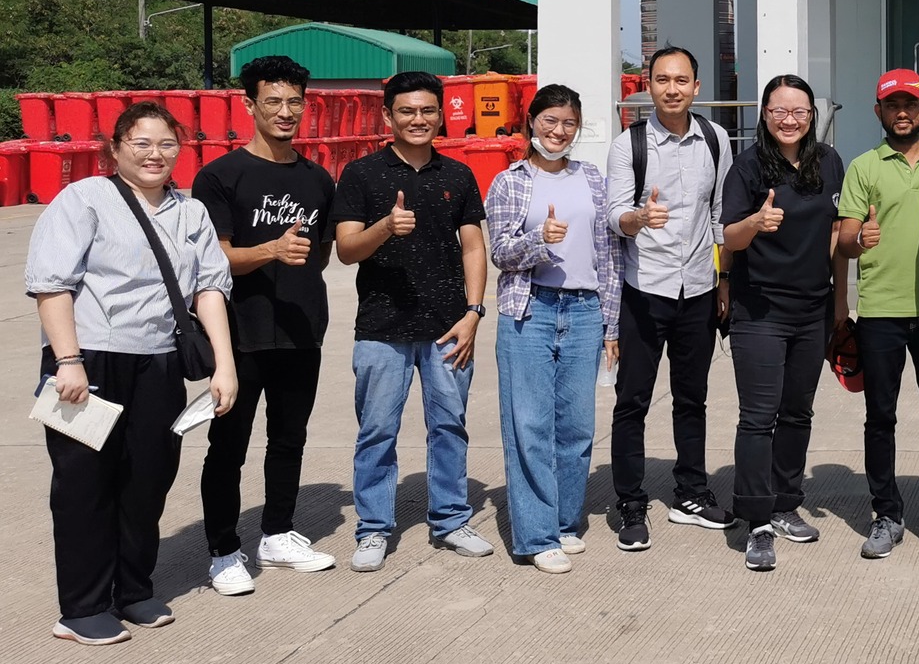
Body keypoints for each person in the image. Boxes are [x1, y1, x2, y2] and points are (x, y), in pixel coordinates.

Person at [26, 102, 236, 643]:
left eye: (166, 144)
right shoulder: (84, 199)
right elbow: (52, 284)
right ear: (115, 148)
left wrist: (225, 365)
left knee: (148, 479)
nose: (154, 154)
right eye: (141, 143)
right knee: (84, 484)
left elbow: (210, 289)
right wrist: (67, 360)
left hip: (159, 362)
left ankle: (134, 590)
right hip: (89, 359)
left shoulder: (191, 213)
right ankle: (82, 608)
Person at [333, 72, 492, 570]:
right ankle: (373, 529)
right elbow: (346, 249)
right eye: (406, 111)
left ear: (441, 115)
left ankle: (450, 519)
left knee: (449, 428)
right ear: (388, 116)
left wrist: (473, 313)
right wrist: (385, 226)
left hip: (448, 328)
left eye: (427, 110)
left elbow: (473, 247)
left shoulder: (458, 175)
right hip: (381, 328)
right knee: (377, 431)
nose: (417, 119)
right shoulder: (361, 174)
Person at [193, 55, 339, 596]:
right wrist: (271, 251)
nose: (285, 112)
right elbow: (215, 260)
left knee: (289, 439)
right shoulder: (219, 176)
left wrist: (292, 263)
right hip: (239, 334)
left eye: (294, 102)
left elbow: (320, 254)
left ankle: (277, 534)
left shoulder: (317, 178)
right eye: (273, 101)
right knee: (227, 446)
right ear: (249, 105)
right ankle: (222, 551)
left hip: (300, 330)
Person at [487, 86, 621, 574]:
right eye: (549, 121)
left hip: (585, 310)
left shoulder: (592, 178)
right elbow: (501, 252)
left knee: (577, 426)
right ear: (531, 121)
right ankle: (536, 536)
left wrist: (611, 323)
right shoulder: (509, 182)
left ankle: (564, 521)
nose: (558, 131)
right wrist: (538, 240)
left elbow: (609, 255)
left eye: (568, 123)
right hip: (530, 311)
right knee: (530, 425)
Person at [604, 44, 733, 551]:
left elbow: (720, 215)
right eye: (662, 80)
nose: (672, 89)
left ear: (696, 87)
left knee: (692, 398)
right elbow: (614, 214)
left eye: (681, 80)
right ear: (648, 86)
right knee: (632, 401)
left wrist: (724, 280)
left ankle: (691, 494)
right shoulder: (628, 145)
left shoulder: (716, 139)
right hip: (645, 289)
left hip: (698, 288)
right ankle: (630, 503)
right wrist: (638, 217)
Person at [721, 74, 847, 572]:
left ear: (812, 116)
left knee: (797, 412)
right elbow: (729, 237)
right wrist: (755, 223)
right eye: (779, 111)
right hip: (761, 310)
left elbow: (834, 234)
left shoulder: (829, 162)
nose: (789, 120)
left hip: (813, 308)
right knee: (758, 416)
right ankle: (756, 520)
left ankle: (785, 503)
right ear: (765, 114)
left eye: (799, 111)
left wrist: (839, 304)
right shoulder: (748, 166)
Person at [835, 68, 919, 561]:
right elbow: (845, 241)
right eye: (892, 105)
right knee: (881, 416)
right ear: (878, 111)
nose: (902, 113)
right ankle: (887, 513)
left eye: (910, 104)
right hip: (881, 312)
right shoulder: (863, 167)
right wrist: (861, 238)